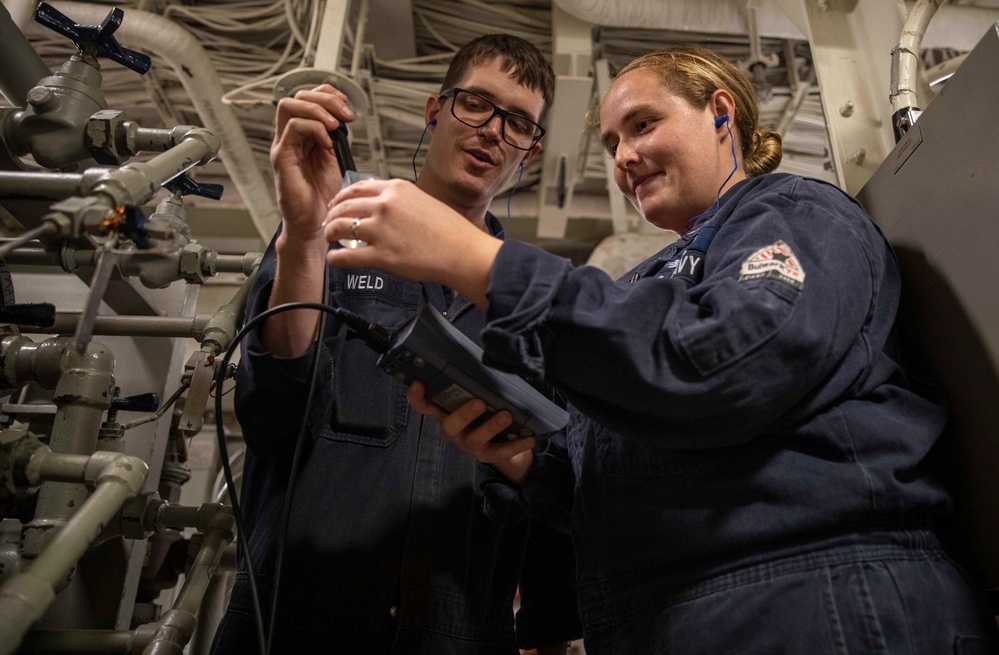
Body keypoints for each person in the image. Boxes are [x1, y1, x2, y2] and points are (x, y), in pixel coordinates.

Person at [319, 45, 999, 654]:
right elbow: (635, 479)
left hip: (810, 599)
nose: (622, 157)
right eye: (612, 142)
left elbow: (726, 363)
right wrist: (531, 465)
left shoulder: (797, 213)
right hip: (665, 615)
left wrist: (482, 261)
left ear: (721, 113)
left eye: (643, 124)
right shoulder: (647, 281)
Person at [212, 34, 582, 654]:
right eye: (476, 104)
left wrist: (549, 632)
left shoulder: (534, 298)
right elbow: (273, 409)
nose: (493, 131)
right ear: (436, 111)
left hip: (460, 632)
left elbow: (556, 489)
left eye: (518, 122)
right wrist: (303, 234)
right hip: (295, 618)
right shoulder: (334, 228)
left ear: (531, 150)